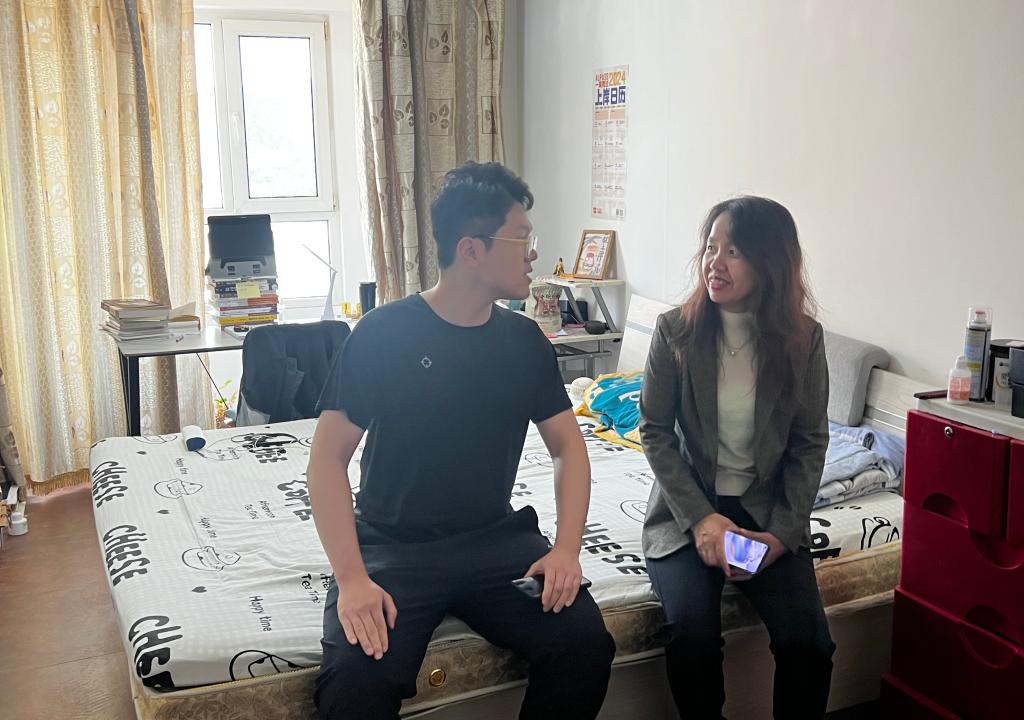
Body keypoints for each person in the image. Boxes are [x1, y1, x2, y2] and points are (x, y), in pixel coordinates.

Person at [308, 161, 615, 720]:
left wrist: (566, 549)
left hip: (494, 542)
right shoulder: (383, 333)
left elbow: (569, 448)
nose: (533, 254)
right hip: (392, 545)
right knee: (354, 684)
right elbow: (327, 460)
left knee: (585, 645)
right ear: (471, 249)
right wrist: (352, 579)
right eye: (521, 239)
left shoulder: (525, 342)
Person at [639, 196, 834, 718]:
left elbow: (809, 442)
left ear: (770, 262)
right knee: (692, 636)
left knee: (809, 644)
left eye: (734, 251)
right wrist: (702, 520)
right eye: (710, 248)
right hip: (689, 514)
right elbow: (654, 431)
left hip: (764, 515)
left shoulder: (804, 340)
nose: (715, 263)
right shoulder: (675, 331)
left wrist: (780, 537)